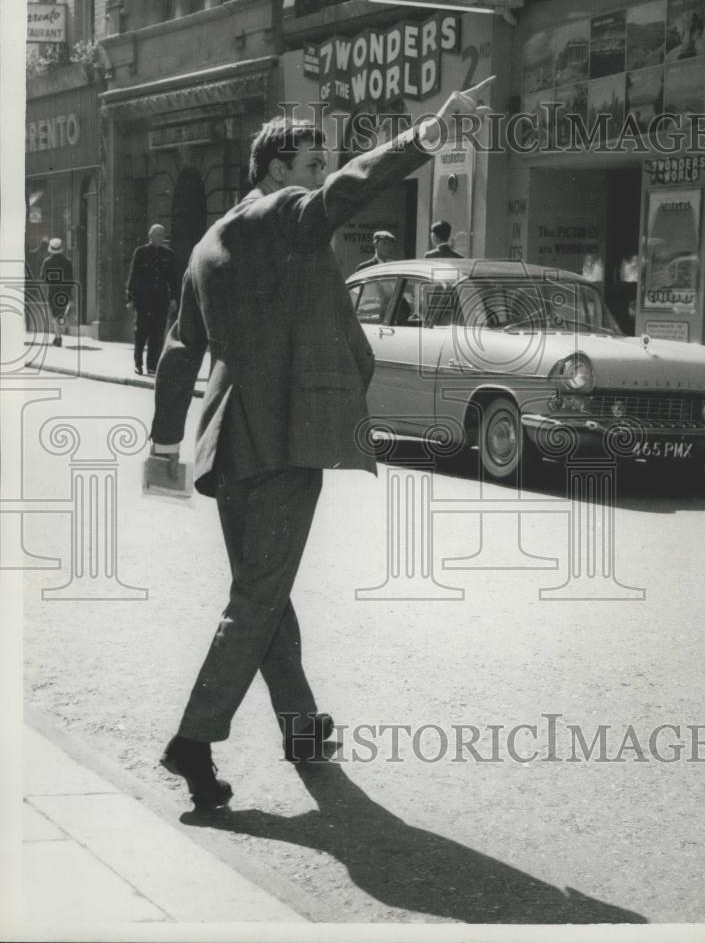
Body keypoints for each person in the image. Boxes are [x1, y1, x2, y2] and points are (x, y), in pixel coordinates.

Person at [150, 76, 494, 809]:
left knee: (265, 592)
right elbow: (347, 191)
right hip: (282, 441)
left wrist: (161, 447)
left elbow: (181, 351)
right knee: (257, 598)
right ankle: (194, 738)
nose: (317, 177)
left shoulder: (208, 244)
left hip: (227, 447)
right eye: (309, 164)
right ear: (276, 171)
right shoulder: (282, 217)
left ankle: (302, 729)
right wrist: (430, 133)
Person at [126, 224, 178, 376]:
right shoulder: (141, 252)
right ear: (150, 236)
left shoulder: (168, 254)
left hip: (160, 299)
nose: (160, 238)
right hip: (143, 299)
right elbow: (133, 276)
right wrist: (130, 298)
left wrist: (174, 298)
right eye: (157, 235)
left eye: (162, 235)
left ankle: (152, 365)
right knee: (141, 331)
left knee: (157, 333)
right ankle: (138, 363)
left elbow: (173, 279)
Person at [40, 238, 73, 346]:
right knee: (61, 313)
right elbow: (71, 280)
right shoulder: (67, 262)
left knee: (54, 314)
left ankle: (58, 337)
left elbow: (43, 278)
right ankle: (58, 335)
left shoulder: (47, 262)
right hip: (65, 292)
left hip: (53, 290)